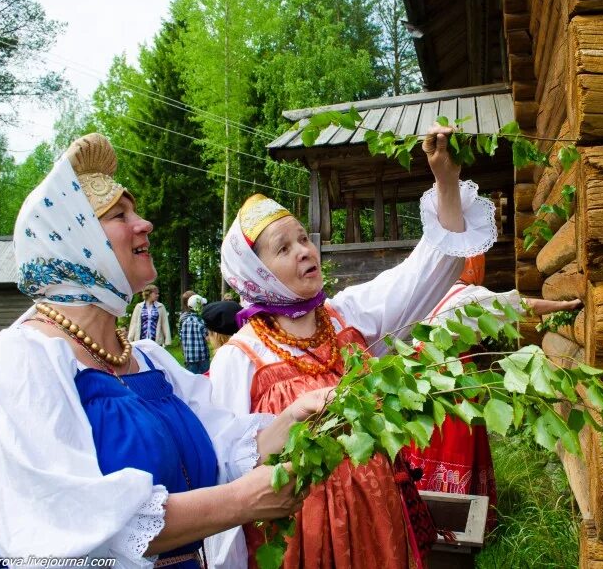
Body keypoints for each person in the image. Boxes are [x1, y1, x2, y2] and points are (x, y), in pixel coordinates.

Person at [0, 133, 332, 568]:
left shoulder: (148, 360)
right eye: (120, 214)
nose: (144, 223)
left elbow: (222, 446)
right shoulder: (15, 364)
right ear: (74, 241)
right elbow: (71, 525)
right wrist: (241, 501)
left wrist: (294, 418)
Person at [207, 125, 498, 569]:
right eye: (283, 248)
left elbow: (429, 269)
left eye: (304, 238)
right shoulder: (240, 358)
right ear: (255, 271)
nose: (305, 251)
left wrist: (445, 181)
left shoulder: (348, 316)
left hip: (377, 519)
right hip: (299, 540)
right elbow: (226, 469)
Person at [404, 254, 582, 530]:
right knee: (456, 440)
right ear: (471, 267)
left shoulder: (434, 293)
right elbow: (524, 305)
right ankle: (457, 520)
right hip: (452, 377)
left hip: (422, 379)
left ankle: (419, 515)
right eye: (481, 263)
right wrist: (565, 304)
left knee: (427, 438)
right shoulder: (470, 296)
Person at [179, 291, 210, 374]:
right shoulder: (200, 320)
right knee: (205, 379)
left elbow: (180, 336)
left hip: (189, 357)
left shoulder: (183, 319)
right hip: (202, 356)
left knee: (192, 379)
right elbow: (207, 337)